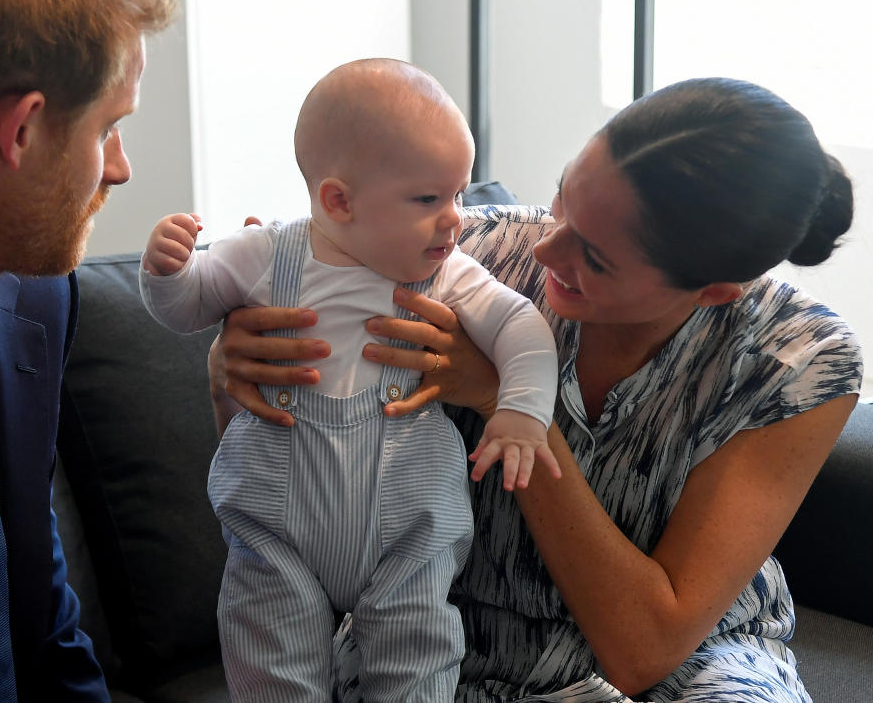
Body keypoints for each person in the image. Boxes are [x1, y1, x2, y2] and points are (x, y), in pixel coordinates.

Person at [212, 76, 863, 702]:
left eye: (596, 257)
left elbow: (644, 649)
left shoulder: (797, 359)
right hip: (447, 632)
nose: (547, 251)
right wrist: (235, 368)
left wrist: (503, 397)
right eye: (562, 202)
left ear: (713, 291)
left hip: (690, 662)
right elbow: (288, 481)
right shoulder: (464, 254)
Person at [139, 58, 560, 701]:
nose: (454, 219)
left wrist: (522, 412)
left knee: (417, 658)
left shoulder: (446, 272)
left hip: (409, 526)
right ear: (339, 200)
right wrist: (167, 274)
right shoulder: (263, 255)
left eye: (459, 193)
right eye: (427, 199)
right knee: (268, 664)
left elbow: (522, 326)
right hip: (276, 528)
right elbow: (185, 310)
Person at [0, 0, 177, 701]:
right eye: (107, 129)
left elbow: (44, 621)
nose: (117, 169)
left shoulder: (35, 301)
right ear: (22, 130)